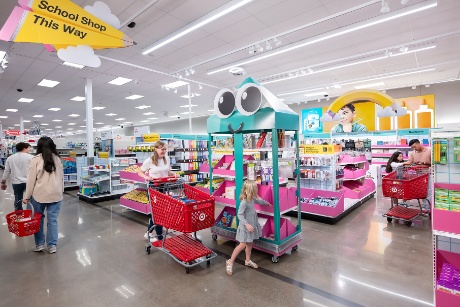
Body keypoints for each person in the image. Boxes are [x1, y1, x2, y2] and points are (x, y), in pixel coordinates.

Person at [23, 137, 63, 254]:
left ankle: (40, 244)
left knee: (38, 220)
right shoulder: (58, 159)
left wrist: (27, 196)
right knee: (53, 220)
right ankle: (52, 246)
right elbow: (61, 178)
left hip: (39, 195)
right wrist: (60, 192)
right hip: (55, 195)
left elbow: (30, 180)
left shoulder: (35, 160)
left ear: (39, 146)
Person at [226, 180, 271, 276]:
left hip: (252, 224)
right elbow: (239, 214)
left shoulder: (251, 198)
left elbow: (258, 200)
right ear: (251, 190)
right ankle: (230, 261)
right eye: (255, 189)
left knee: (250, 243)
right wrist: (247, 224)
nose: (257, 191)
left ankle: (247, 260)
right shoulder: (244, 202)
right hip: (245, 227)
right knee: (242, 244)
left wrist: (266, 203)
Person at [137, 141, 178, 242]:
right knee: (157, 212)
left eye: (165, 149)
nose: (164, 151)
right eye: (162, 149)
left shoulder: (167, 159)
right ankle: (160, 237)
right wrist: (147, 177)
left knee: (159, 212)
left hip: (163, 187)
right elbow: (139, 172)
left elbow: (166, 172)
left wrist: (174, 174)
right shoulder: (149, 161)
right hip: (153, 188)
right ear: (156, 149)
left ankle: (149, 233)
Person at [1, 142, 33, 211]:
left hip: (16, 182)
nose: (29, 150)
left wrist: (3, 182)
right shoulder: (31, 157)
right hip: (29, 182)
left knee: (18, 199)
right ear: (24, 148)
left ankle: (18, 214)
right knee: (30, 199)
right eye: (29, 148)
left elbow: (7, 171)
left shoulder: (10, 158)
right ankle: (30, 214)